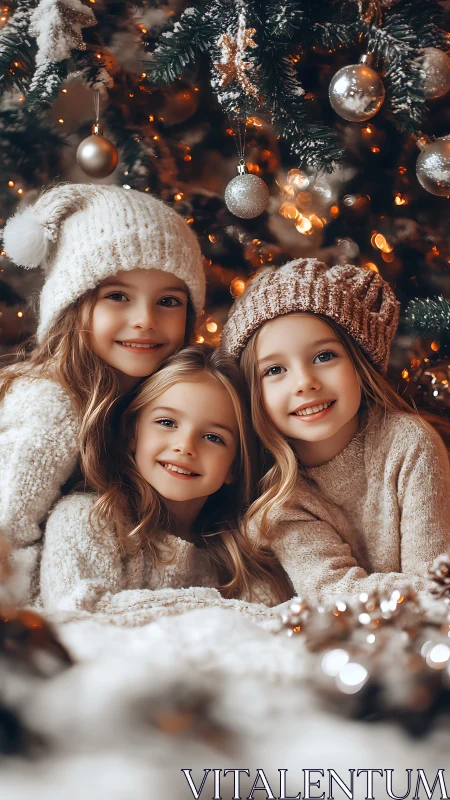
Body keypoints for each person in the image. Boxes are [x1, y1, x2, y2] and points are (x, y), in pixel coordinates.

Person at [0, 183, 205, 604]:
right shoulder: (50, 403)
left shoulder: (161, 395)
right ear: (74, 305)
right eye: (118, 297)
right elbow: (7, 533)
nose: (145, 320)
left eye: (168, 301)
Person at [222, 258, 450, 602]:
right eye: (275, 370)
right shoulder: (279, 497)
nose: (305, 383)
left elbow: (436, 588)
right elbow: (333, 592)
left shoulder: (409, 444)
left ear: (359, 364)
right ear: (252, 393)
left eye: (324, 356)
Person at [39, 346, 292, 622]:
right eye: (167, 422)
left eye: (213, 438)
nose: (185, 447)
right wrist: (219, 611)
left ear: (233, 466)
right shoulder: (87, 518)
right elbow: (78, 614)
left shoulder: (241, 559)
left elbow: (274, 626)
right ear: (131, 433)